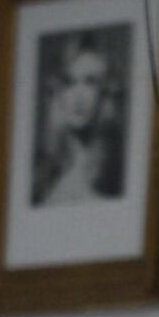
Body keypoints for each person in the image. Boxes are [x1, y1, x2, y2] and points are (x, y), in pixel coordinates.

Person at [32, 32, 127, 206]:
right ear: (59, 92)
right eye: (69, 82)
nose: (78, 96)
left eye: (90, 82)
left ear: (105, 92)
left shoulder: (117, 174)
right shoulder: (41, 174)